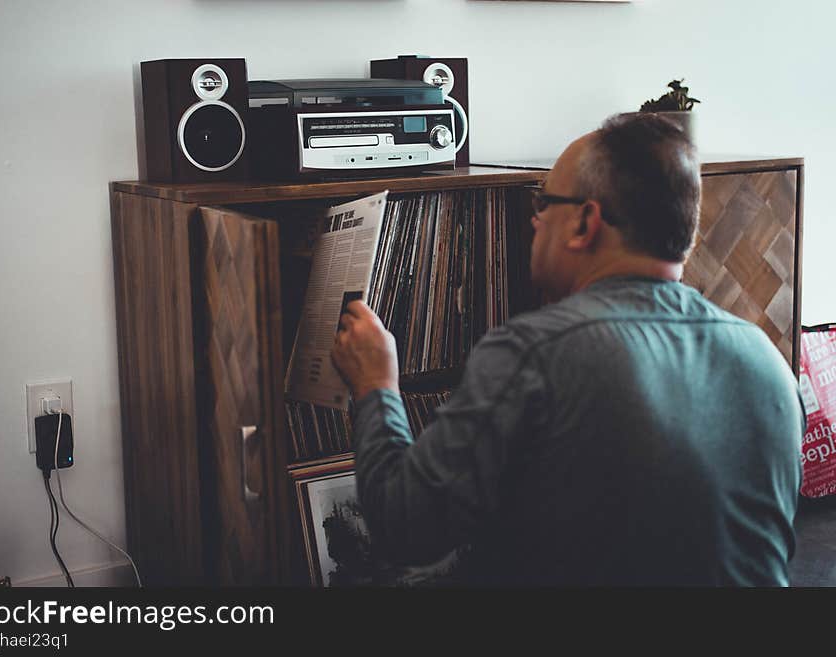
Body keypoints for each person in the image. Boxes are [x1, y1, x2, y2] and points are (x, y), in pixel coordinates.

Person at [331, 113, 805, 586]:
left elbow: (404, 530)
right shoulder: (768, 362)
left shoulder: (533, 353)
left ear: (584, 222)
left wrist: (376, 385)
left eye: (545, 202)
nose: (535, 219)